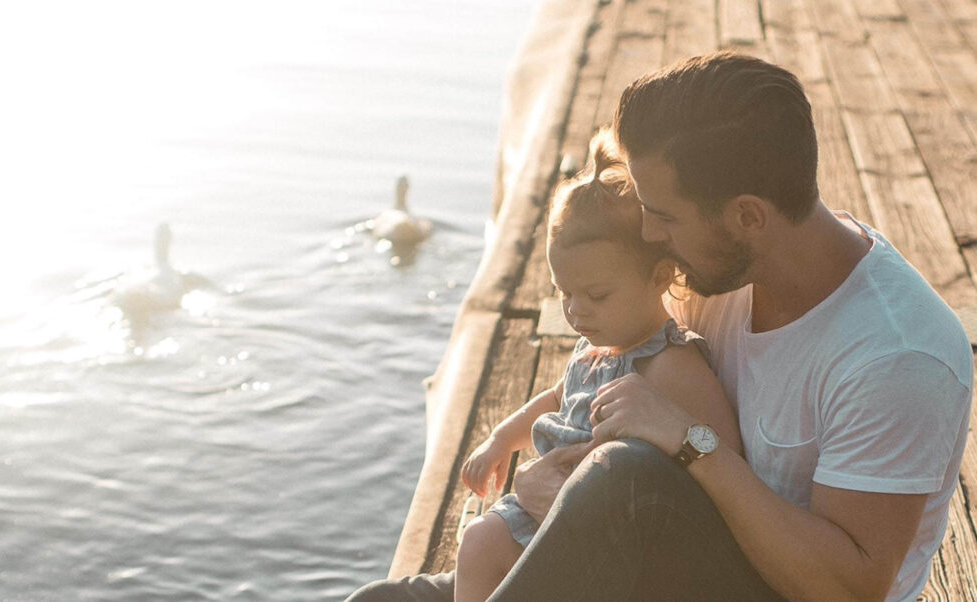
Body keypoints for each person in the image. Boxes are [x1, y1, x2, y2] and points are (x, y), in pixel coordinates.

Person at [346, 51, 972, 602]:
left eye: (664, 216)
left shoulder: (897, 356)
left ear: (747, 216)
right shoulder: (718, 272)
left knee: (623, 479)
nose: (650, 237)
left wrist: (689, 441)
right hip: (648, 552)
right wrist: (552, 486)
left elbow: (847, 590)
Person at [453, 129, 743, 602]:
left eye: (596, 295)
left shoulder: (669, 363)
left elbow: (724, 457)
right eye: (564, 293)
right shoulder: (593, 351)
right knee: (479, 543)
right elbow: (554, 399)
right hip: (548, 507)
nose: (576, 311)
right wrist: (501, 440)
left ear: (660, 276)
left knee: (484, 545)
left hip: (602, 528)